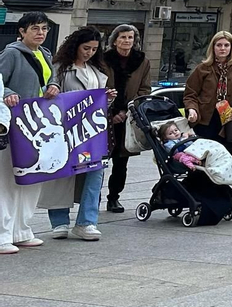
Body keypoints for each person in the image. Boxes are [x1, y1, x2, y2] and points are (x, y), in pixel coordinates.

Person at [42, 28, 109, 241]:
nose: (89, 52)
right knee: (62, 174)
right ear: (76, 46)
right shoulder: (60, 69)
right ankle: (59, 221)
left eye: (94, 49)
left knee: (94, 173)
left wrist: (108, 98)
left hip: (92, 131)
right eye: (86, 48)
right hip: (64, 130)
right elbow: (48, 96)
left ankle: (87, 222)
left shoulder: (96, 70)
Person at [0, 13, 58, 250]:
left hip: (38, 125)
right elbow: (0, 82)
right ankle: (3, 234)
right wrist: (7, 93)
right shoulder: (11, 53)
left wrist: (54, 85)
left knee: (33, 177)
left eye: (44, 29)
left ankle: (22, 229)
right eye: (35, 29)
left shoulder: (45, 54)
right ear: (22, 31)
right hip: (13, 123)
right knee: (6, 181)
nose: (41, 33)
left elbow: (51, 79)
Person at [101, 24, 150, 214]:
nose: (127, 41)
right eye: (123, 37)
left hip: (128, 117)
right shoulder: (104, 59)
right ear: (115, 40)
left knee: (121, 163)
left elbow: (145, 90)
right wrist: (111, 112)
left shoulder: (142, 61)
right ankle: (92, 198)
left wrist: (128, 110)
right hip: (105, 116)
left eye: (130, 37)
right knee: (99, 161)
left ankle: (114, 198)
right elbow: (98, 86)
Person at [183, 31, 232, 154]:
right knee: (202, 157)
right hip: (205, 119)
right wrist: (192, 109)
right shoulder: (203, 68)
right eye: (219, 45)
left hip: (227, 119)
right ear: (213, 47)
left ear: (231, 47)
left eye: (226, 45)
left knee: (224, 157)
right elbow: (190, 94)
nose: (222, 48)